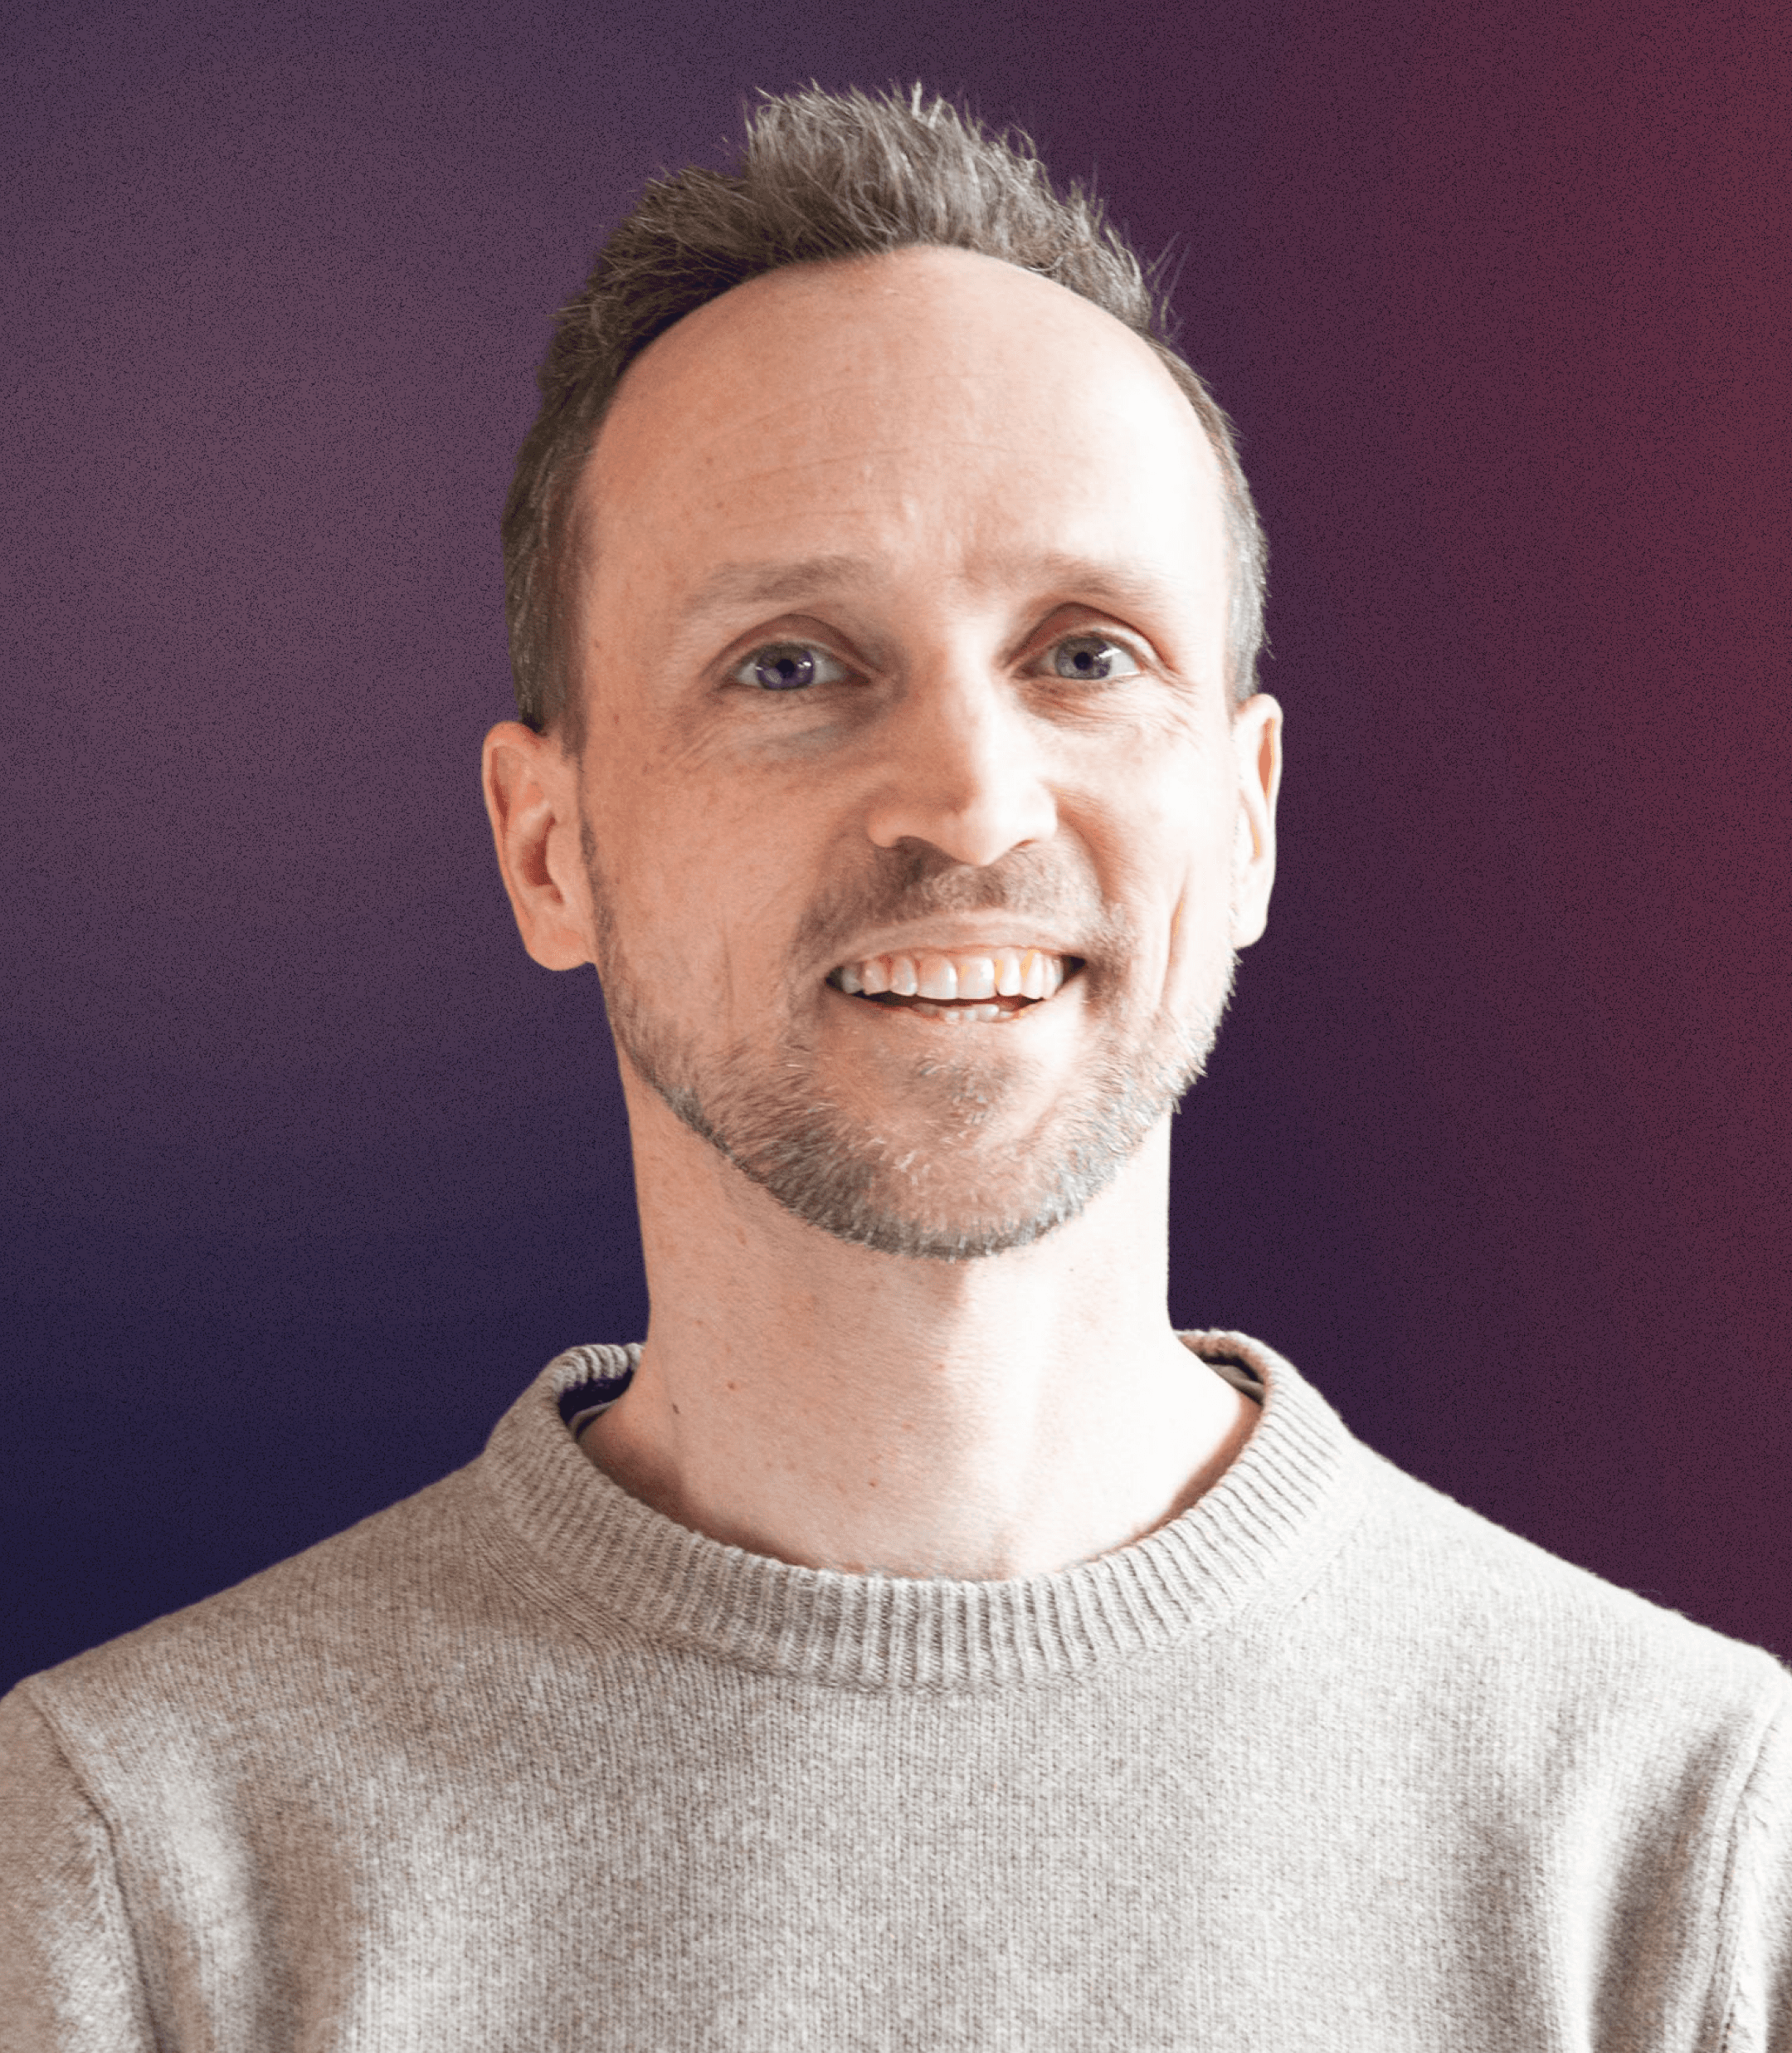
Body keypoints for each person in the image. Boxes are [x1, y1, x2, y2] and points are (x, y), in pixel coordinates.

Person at [2, 84, 1786, 2051]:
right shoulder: (135, 1873)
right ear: (549, 845)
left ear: (1250, 820)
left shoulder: (1695, 1839)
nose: (967, 797)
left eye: (1087, 653)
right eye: (791, 664)